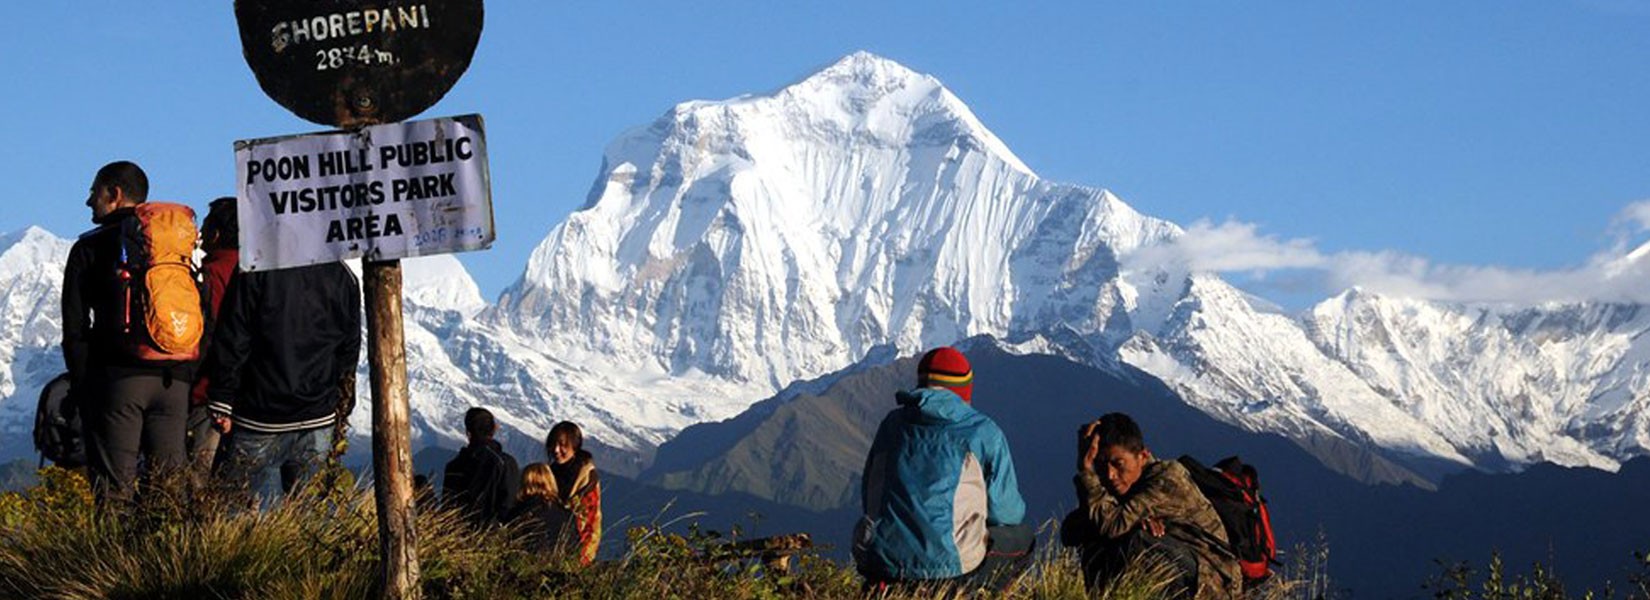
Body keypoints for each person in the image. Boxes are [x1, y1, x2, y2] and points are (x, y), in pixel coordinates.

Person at [61, 161, 193, 502]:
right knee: (169, 493)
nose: (89, 201)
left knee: (114, 492)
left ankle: (114, 556)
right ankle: (172, 554)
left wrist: (82, 385)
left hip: (120, 380)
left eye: (94, 192)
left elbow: (75, 326)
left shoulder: (89, 247)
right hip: (174, 379)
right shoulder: (172, 247)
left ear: (114, 194)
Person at [852, 347, 1033, 592]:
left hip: (884, 563)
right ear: (965, 390)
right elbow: (1007, 513)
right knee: (1022, 538)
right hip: (952, 569)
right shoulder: (983, 432)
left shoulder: (891, 425)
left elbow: (870, 496)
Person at [206, 254, 361, 501]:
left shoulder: (255, 262)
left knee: (232, 509)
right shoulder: (342, 275)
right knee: (310, 518)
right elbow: (348, 349)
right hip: (318, 416)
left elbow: (234, 337)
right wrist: (342, 406)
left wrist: (222, 399)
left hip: (259, 414)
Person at [1062, 413, 1240, 599]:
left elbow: (1111, 526)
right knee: (1097, 540)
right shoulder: (1123, 486)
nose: (1110, 474)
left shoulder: (1167, 478)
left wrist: (1086, 472)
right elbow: (1070, 533)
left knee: (1137, 540)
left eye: (1118, 464)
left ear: (1143, 456)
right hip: (1184, 569)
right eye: (1100, 464)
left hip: (1210, 582)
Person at [186, 197, 239, 482]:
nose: (200, 233)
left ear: (216, 234)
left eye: (205, 226)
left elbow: (210, 333)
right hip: (254, 397)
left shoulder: (212, 274)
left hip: (209, 394)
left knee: (199, 479)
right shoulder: (258, 271)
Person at [525, 421, 603, 565]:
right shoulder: (551, 471)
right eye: (553, 445)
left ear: (575, 446)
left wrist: (582, 559)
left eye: (562, 445)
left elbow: (591, 522)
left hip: (575, 548)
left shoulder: (586, 477)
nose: (556, 450)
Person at [442, 407, 522, 526]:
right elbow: (509, 504)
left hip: (459, 534)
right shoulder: (505, 463)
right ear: (494, 429)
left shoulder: (454, 466)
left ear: (468, 433)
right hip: (493, 535)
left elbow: (448, 505)